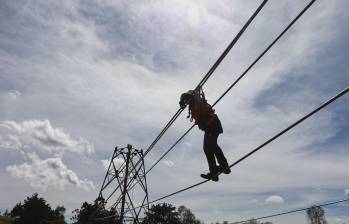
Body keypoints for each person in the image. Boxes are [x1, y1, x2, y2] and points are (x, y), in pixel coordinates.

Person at [179, 89, 231, 182]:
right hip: (209, 127)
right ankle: (214, 172)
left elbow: (194, 94)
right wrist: (181, 101)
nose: (185, 102)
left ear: (190, 97)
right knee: (207, 148)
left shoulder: (197, 101)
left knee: (212, 145)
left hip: (212, 124)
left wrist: (185, 97)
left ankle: (224, 166)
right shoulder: (192, 105)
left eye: (186, 99)